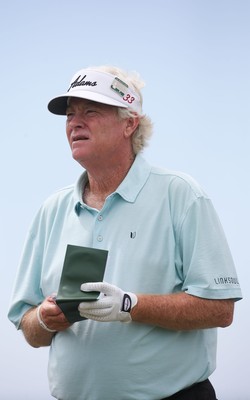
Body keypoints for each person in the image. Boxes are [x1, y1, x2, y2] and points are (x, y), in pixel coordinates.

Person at [8, 65, 242, 400]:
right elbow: (30, 329)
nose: (75, 122)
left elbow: (220, 310)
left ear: (129, 123)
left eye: (91, 111)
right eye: (70, 114)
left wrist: (131, 304)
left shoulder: (181, 194)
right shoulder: (52, 209)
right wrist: (46, 319)